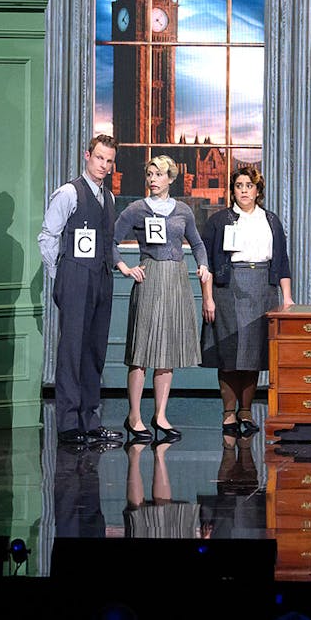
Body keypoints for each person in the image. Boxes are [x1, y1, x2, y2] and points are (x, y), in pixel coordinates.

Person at [113, 155, 210, 444]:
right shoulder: (136, 209)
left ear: (171, 178)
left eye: (159, 174)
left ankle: (161, 415)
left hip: (177, 280)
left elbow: (198, 243)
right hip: (150, 277)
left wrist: (202, 264)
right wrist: (125, 268)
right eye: (150, 174)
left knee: (166, 354)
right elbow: (110, 241)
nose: (153, 179)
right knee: (142, 352)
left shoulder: (182, 210)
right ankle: (134, 417)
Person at [38, 134, 125, 446]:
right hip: (75, 276)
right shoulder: (68, 193)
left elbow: (107, 240)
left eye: (109, 161)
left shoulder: (109, 198)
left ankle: (90, 418)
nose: (103, 165)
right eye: (99, 158)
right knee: (72, 350)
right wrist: (59, 277)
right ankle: (68, 423)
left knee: (94, 350)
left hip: (101, 278)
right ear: (87, 155)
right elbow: (48, 236)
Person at [201, 166, 294, 437]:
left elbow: (282, 261)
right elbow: (205, 262)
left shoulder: (271, 220)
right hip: (228, 288)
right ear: (233, 190)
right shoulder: (219, 221)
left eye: (249, 186)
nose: (244, 190)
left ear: (258, 190)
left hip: (263, 288)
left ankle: (246, 411)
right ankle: (228, 413)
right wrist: (208, 298)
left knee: (253, 353)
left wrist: (286, 298)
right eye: (239, 185)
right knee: (230, 354)